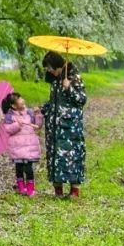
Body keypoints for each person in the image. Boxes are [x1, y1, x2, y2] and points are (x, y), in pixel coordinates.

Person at [40, 50, 87, 198]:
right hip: (54, 126)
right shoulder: (54, 81)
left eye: (50, 67)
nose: (49, 70)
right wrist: (42, 109)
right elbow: (54, 102)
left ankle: (74, 190)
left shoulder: (74, 78)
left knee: (71, 155)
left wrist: (69, 88)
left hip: (70, 126)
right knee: (55, 155)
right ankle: (58, 190)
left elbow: (82, 100)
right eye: (47, 68)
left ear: (56, 65)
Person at [1, 91, 43, 196]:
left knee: (29, 168)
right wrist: (16, 125)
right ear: (13, 105)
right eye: (19, 100)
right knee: (19, 167)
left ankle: (30, 188)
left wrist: (38, 115)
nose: (22, 100)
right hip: (17, 147)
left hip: (29, 146)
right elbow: (7, 130)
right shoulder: (9, 117)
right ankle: (21, 186)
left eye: (21, 98)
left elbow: (38, 126)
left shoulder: (29, 112)